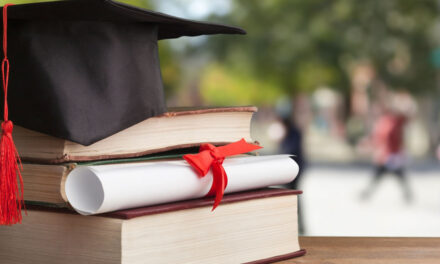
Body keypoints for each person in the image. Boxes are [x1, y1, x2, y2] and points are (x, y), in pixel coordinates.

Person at [360, 109, 412, 202]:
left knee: (396, 174)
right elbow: (378, 138)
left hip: (392, 154)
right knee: (381, 174)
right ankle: (367, 192)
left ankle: (407, 194)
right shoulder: (383, 122)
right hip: (385, 154)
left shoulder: (393, 122)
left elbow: (392, 138)